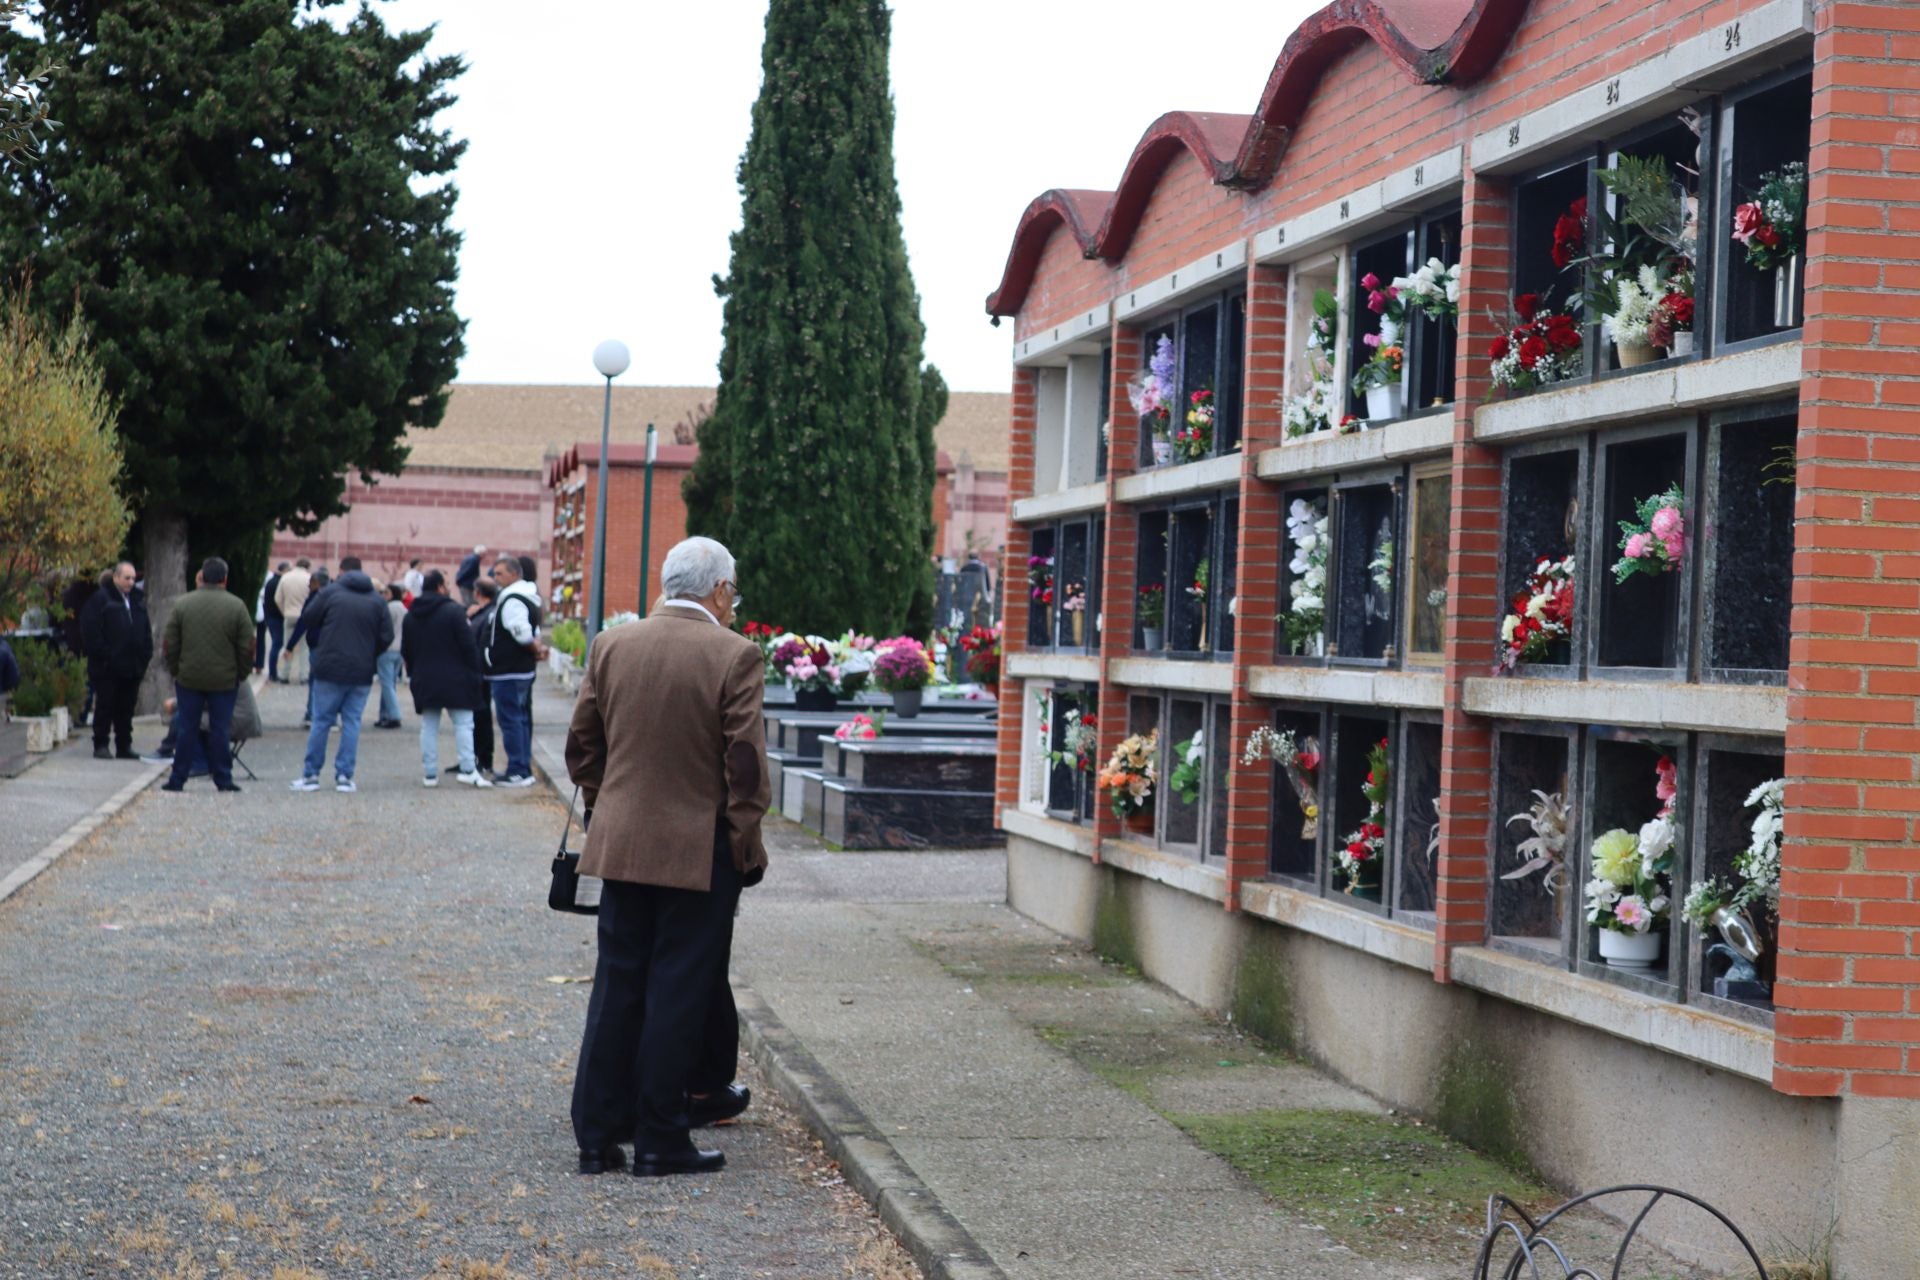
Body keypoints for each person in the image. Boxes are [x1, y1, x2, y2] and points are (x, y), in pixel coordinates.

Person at [566, 536, 770, 1178]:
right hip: (697, 848)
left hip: (622, 844)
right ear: (717, 591)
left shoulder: (612, 644)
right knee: (677, 991)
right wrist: (743, 843)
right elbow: (745, 766)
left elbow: (581, 747)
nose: (733, 605)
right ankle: (660, 1137)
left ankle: (597, 1136)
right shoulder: (734, 655)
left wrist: (610, 806)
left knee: (617, 986)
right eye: (731, 593)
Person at [290, 556, 392, 794]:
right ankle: (345, 776)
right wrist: (369, 653)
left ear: (342, 571)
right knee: (352, 723)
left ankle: (311, 775)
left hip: (329, 666)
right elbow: (386, 636)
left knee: (322, 721)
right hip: (361, 670)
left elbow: (309, 617)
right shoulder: (377, 600)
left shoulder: (330, 593)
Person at [160, 559, 253, 793]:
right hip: (224, 680)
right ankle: (223, 778)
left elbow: (170, 642)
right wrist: (240, 673)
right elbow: (247, 646)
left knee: (187, 729)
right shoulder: (237, 606)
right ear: (225, 578)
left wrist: (176, 670)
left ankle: (177, 778)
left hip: (189, 678)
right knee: (219, 729)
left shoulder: (184, 604)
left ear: (202, 576)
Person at [402, 570, 492, 788]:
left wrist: (415, 672)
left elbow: (407, 650)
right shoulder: (453, 612)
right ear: (440, 587)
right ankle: (468, 768)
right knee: (463, 725)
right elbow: (468, 646)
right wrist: (475, 673)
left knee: (429, 726)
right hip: (456, 678)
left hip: (425, 677)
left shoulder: (412, 614)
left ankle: (430, 773)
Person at [79, 562, 154, 761]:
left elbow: (145, 630)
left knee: (126, 708)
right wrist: (106, 655)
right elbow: (91, 632)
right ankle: (101, 744)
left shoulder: (137, 600)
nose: (131, 582)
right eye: (126, 578)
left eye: (133, 578)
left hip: (132, 666)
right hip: (107, 667)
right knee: (105, 706)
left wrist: (145, 655)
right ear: (116, 578)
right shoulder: (101, 599)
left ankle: (124, 745)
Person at [481, 555, 544, 787]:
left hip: (508, 670)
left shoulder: (513, 599)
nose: (495, 578)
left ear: (514, 574)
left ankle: (517, 770)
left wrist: (533, 646)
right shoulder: (528, 596)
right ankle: (522, 766)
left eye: (500, 573)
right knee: (520, 718)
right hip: (519, 669)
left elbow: (523, 633)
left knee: (511, 720)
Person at [285, 569, 329, 726]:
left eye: (310, 583)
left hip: (317, 643)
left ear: (316, 583)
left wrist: (290, 645)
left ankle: (312, 713)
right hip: (332, 645)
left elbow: (303, 622)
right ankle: (327, 715)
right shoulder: (335, 597)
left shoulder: (315, 599)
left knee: (315, 680)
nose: (308, 586)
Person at [466, 578, 500, 778]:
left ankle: (484, 758)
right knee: (477, 716)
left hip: (481, 672)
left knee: (481, 716)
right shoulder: (484, 613)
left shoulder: (488, 614)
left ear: (478, 593)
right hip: (479, 671)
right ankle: (476, 756)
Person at [274, 558, 313, 683]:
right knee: (304, 648)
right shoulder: (309, 578)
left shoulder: (285, 578)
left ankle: (285, 674)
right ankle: (304, 675)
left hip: (289, 614)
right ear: (307, 567)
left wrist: (284, 611)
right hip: (305, 616)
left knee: (287, 645)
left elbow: (278, 598)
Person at [374, 583, 407, 729]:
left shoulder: (388, 608)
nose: (383, 595)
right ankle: (385, 715)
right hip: (399, 649)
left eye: (385, 592)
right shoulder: (404, 609)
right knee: (390, 684)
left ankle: (394, 715)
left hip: (387, 649)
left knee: (387, 684)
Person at [260, 562, 290, 681]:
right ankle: (273, 673)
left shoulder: (271, 581)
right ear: (285, 570)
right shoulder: (280, 582)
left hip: (270, 617)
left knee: (276, 644)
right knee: (277, 644)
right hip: (278, 617)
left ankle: (273, 672)